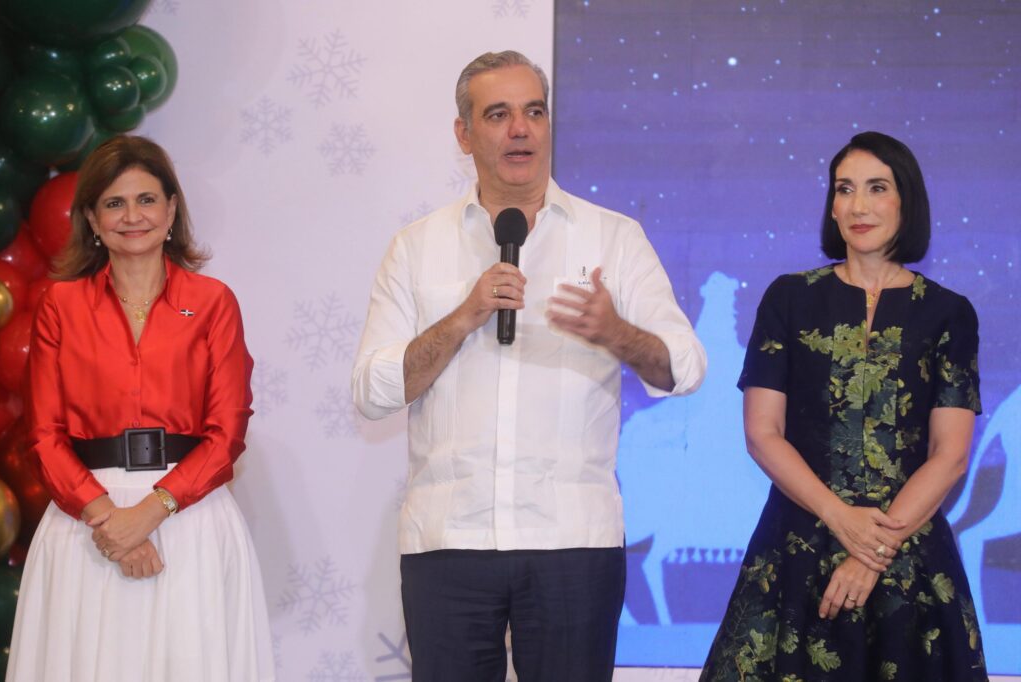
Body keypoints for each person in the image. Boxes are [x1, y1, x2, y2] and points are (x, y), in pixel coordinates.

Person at [352, 50, 706, 681]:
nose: (520, 129)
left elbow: (683, 367)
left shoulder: (613, 238)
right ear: (464, 134)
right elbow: (375, 391)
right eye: (498, 114)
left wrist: (616, 331)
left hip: (573, 539)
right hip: (448, 542)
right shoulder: (416, 246)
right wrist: (463, 316)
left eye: (534, 112)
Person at [700, 131, 986, 681]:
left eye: (876, 188)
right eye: (844, 189)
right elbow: (763, 433)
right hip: (796, 549)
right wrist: (840, 519)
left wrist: (870, 551)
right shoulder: (789, 297)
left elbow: (949, 455)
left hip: (909, 560)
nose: (858, 206)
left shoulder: (950, 313)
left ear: (906, 200)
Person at [7, 135, 275, 681]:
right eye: (114, 203)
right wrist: (109, 521)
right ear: (92, 218)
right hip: (87, 528)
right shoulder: (60, 305)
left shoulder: (213, 302)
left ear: (172, 209)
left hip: (189, 522)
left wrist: (148, 515)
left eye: (147, 200)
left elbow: (226, 435)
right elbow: (44, 434)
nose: (133, 216)